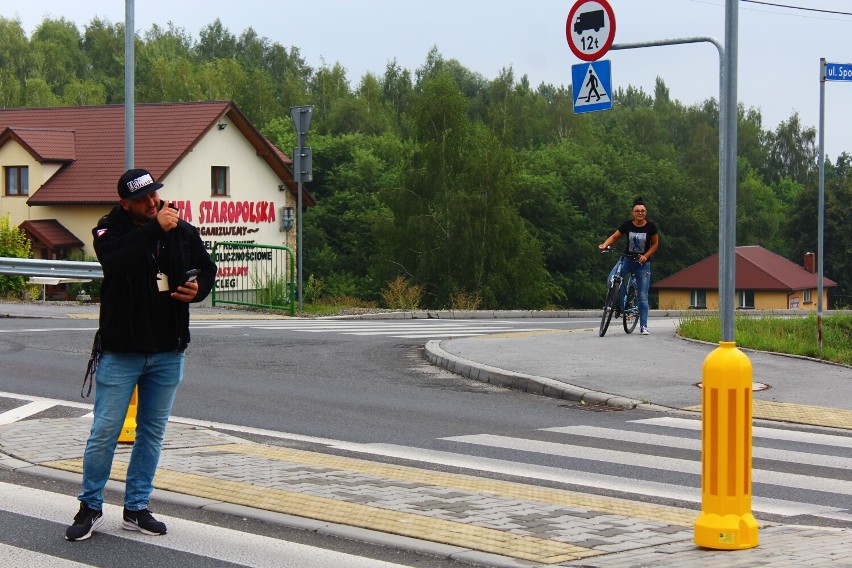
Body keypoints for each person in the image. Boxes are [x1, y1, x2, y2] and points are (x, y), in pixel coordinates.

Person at [65, 168, 216, 541]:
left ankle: (136, 507)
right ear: (124, 203)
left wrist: (198, 290)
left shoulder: (180, 228)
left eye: (155, 195)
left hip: (168, 349)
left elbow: (207, 267)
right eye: (143, 200)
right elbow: (116, 260)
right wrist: (155, 228)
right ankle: (90, 506)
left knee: (152, 433)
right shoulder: (108, 229)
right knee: (105, 431)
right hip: (122, 351)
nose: (152, 203)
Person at [598, 197, 659, 335]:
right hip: (626, 259)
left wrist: (646, 256)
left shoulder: (651, 227)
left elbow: (655, 245)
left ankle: (643, 326)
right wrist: (604, 245)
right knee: (612, 280)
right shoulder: (627, 225)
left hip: (642, 264)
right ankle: (617, 301)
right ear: (633, 212)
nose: (640, 213)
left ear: (646, 212)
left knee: (643, 296)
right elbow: (614, 237)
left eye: (643, 211)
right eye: (637, 211)